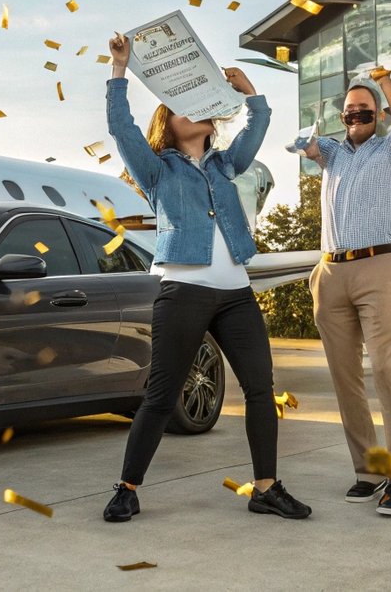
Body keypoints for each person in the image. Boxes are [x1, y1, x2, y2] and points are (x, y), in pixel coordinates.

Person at [101, 32, 311, 522]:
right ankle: (127, 488)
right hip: (185, 292)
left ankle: (265, 488)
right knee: (161, 394)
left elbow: (257, 125)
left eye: (196, 106)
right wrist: (119, 69)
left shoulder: (225, 164)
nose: (190, 111)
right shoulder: (157, 171)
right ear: (168, 126)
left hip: (237, 293)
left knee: (261, 389)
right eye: (178, 108)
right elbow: (120, 127)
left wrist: (251, 91)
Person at [288, 68, 391, 517]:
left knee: (386, 370)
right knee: (346, 380)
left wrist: (383, 81)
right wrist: (304, 142)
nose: (356, 116)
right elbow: (310, 147)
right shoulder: (333, 151)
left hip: (377, 267)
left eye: (364, 110)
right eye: (349, 112)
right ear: (342, 117)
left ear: (377, 114)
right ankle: (368, 470)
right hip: (330, 273)